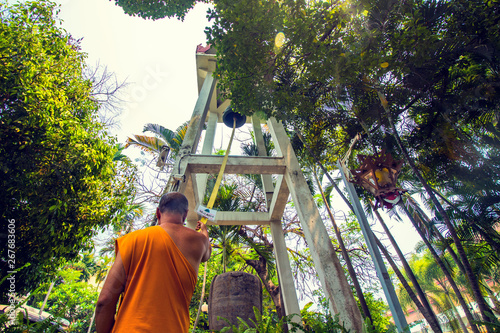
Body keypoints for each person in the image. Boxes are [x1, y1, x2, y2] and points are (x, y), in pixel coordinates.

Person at [95, 192, 211, 333]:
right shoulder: (199, 242)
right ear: (185, 215)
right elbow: (207, 254)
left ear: (158, 212)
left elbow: (105, 300)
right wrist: (204, 231)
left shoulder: (133, 240)